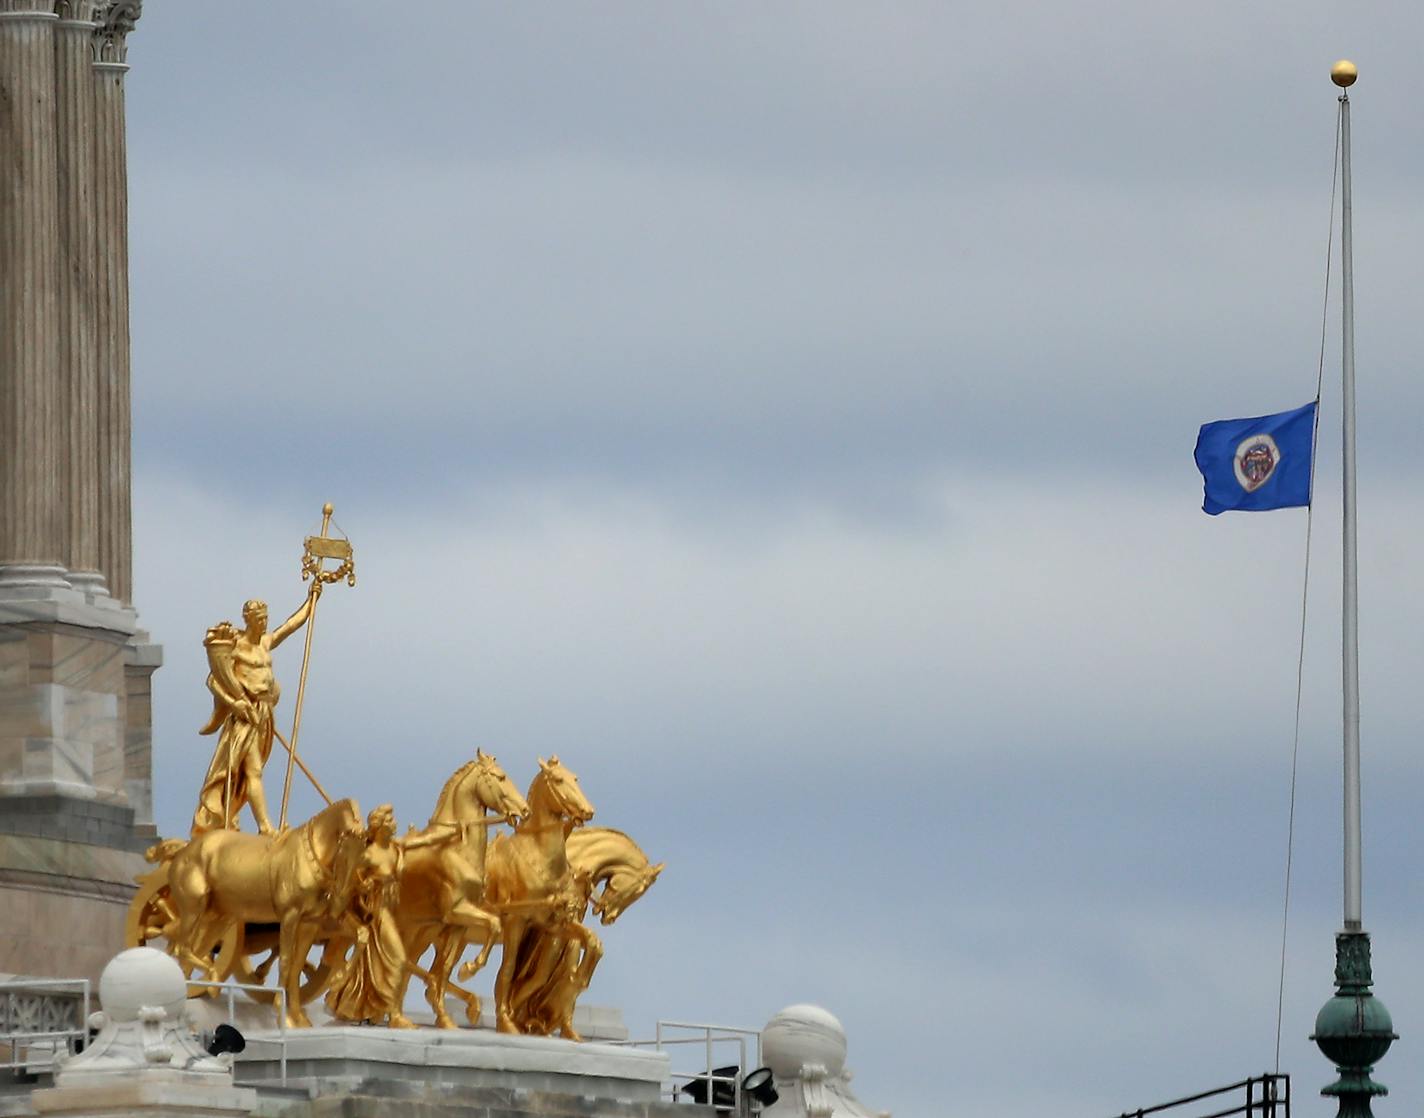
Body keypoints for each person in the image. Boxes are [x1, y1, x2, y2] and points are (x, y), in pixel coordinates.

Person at [190, 584, 319, 837]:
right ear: (249, 621)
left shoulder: (266, 643)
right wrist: (235, 703)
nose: (264, 624)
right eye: (260, 620)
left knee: (248, 772)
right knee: (253, 770)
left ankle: (235, 816)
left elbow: (291, 625)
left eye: (266, 619)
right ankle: (264, 826)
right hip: (245, 715)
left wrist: (312, 599)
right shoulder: (237, 646)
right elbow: (214, 680)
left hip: (264, 714)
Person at [325, 804, 448, 1027]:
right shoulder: (368, 855)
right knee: (400, 959)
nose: (395, 825)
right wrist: (364, 887)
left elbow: (423, 841)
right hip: (378, 914)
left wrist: (454, 831)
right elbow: (348, 883)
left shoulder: (395, 847)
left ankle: (381, 1009)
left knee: (386, 964)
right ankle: (395, 1015)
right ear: (379, 827)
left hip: (396, 912)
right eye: (390, 822)